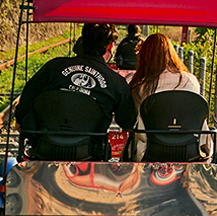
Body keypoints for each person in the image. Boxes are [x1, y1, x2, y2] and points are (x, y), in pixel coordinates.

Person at [17, 23, 136, 160]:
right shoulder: (116, 82)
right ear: (110, 46)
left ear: (82, 41)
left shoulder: (53, 67)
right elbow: (127, 121)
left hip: (44, 149)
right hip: (89, 154)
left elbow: (26, 101)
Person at [125, 33, 206, 161]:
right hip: (191, 150)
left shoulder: (140, 87)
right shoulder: (191, 81)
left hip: (151, 153)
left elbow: (132, 118)